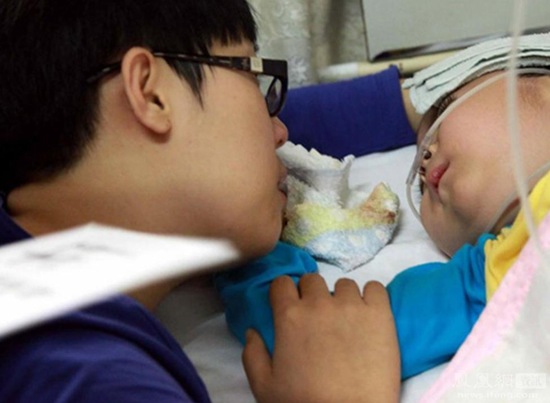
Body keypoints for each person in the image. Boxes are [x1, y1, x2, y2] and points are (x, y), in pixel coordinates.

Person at [0, 0, 412, 402]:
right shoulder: (88, 380)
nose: (282, 133)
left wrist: (421, 101)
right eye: (256, 81)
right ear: (150, 94)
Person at [215, 57, 550, 380]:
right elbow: (315, 340)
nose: (423, 160)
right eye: (420, 189)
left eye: (441, 118)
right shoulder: (508, 269)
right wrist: (240, 227)